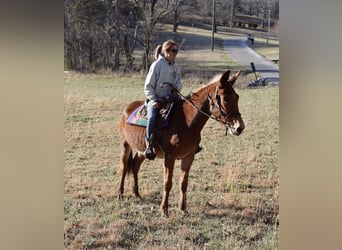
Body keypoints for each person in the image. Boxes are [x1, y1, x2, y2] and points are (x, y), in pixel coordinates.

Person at [144, 39, 182, 160]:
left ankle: (189, 142)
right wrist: (154, 100)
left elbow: (179, 82)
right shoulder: (156, 65)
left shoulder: (176, 66)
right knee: (152, 116)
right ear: (166, 51)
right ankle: (149, 144)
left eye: (177, 51)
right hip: (156, 100)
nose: (175, 53)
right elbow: (148, 86)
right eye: (173, 51)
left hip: (171, 98)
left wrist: (177, 87)